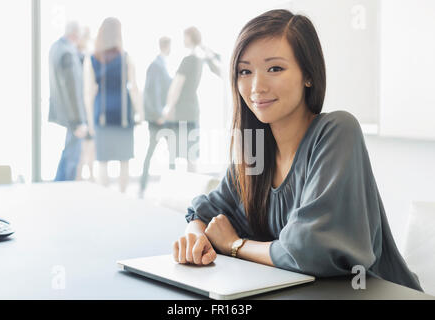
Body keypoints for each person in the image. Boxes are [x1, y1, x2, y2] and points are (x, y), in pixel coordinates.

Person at [172, 9, 423, 292]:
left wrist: (234, 244)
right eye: (245, 71)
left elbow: (308, 250)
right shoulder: (255, 150)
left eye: (275, 68)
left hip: (372, 294)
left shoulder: (337, 131)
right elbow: (204, 211)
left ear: (308, 75)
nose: (256, 86)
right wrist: (195, 239)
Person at [83, 17, 141, 193]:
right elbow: (134, 88)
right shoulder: (125, 57)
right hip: (123, 113)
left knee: (102, 161)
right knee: (124, 161)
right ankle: (123, 196)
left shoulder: (92, 58)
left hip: (102, 113)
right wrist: (140, 113)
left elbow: (88, 93)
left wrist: (90, 122)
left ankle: (105, 199)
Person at [159, 27, 221, 173]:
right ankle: (192, 186)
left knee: (174, 150)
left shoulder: (188, 60)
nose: (183, 40)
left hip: (182, 110)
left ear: (190, 37)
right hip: (193, 108)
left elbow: (176, 87)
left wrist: (168, 108)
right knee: (191, 153)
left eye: (184, 36)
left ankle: (175, 186)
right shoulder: (200, 60)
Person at [49, 21, 88, 181]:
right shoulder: (68, 53)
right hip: (72, 115)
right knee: (72, 157)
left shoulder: (56, 48)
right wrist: (78, 121)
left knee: (68, 153)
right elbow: (72, 91)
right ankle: (64, 191)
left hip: (63, 111)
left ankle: (58, 186)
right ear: (75, 35)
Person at [139, 37, 174, 198]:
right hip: (157, 118)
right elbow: (151, 93)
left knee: (169, 151)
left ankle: (168, 186)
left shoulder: (162, 65)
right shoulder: (156, 66)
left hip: (161, 117)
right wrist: (158, 114)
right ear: (166, 46)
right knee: (152, 151)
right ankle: (143, 185)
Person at [76, 26, 96, 182]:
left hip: (86, 104)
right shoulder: (82, 57)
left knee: (88, 144)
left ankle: (88, 175)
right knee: (85, 145)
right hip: (84, 106)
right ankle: (83, 176)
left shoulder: (84, 56)